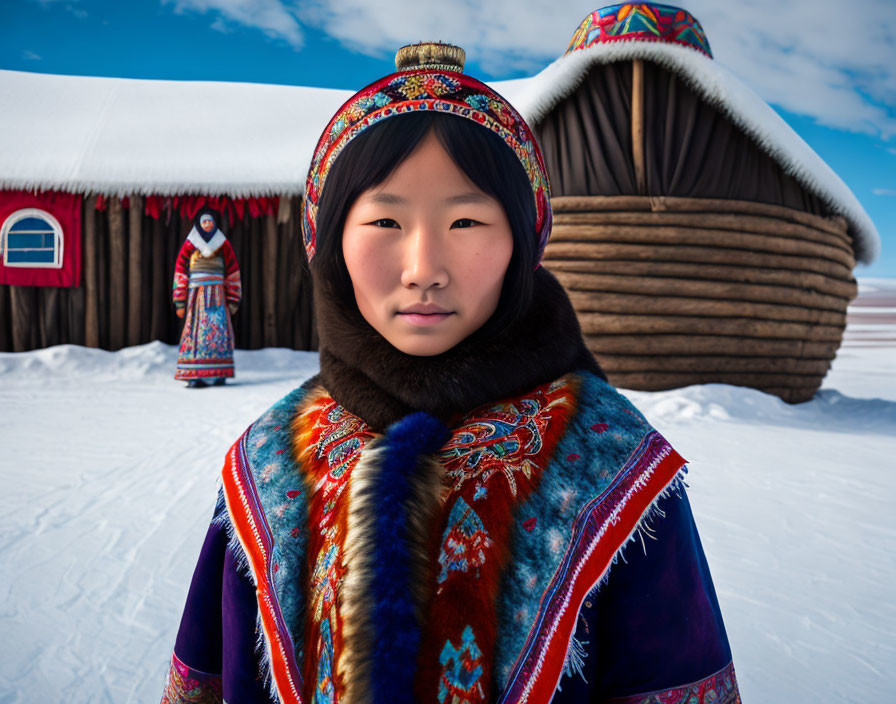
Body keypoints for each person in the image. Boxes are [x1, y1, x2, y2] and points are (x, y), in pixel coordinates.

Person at [161, 43, 740, 704]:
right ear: (330, 241)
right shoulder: (269, 460)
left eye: (466, 220)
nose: (423, 268)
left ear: (522, 242)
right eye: (384, 219)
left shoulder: (609, 458)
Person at [172, 208, 241, 387]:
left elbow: (232, 270)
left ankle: (220, 373)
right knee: (195, 333)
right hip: (197, 298)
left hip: (218, 296)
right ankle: (195, 375)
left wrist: (233, 298)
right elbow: (180, 269)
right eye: (204, 221)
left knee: (218, 331)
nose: (208, 224)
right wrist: (180, 299)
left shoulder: (222, 244)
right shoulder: (191, 243)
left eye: (210, 221)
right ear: (198, 223)